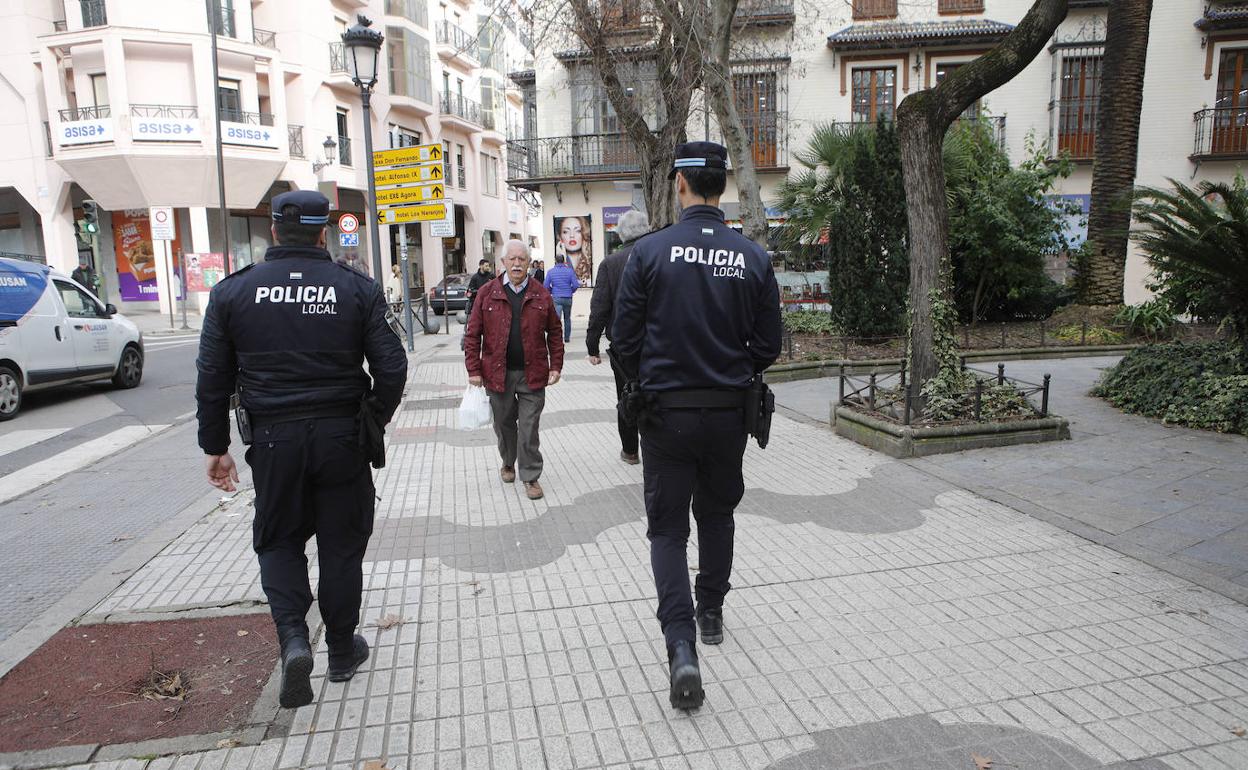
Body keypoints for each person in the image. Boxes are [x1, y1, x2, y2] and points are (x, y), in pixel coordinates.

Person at [195, 190, 408, 710]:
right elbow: (393, 367)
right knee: (341, 543)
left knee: (278, 540)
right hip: (341, 438)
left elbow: (211, 378)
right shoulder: (354, 288)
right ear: (323, 233)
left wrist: (215, 446)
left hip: (272, 441)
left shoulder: (232, 293)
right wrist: (370, 419)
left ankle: (293, 639)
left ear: (273, 230)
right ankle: (339, 650)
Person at [612, 142, 782, 711]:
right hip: (729, 412)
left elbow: (625, 339)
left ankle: (681, 646)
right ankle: (711, 612)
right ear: (723, 185)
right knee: (717, 514)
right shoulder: (751, 257)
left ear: (681, 185)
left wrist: (650, 376)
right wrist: (731, 367)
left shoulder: (650, 252)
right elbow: (769, 345)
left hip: (665, 415)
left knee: (666, 531)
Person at [464, 240, 563, 501]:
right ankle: (508, 461)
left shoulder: (541, 294)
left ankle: (530, 476)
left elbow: (554, 332)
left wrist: (557, 366)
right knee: (504, 424)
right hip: (498, 374)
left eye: (522, 259)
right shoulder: (487, 292)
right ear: (503, 263)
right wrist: (473, 369)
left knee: (529, 427)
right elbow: (473, 334)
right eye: (512, 259)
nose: (517, 264)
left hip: (533, 373)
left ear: (529, 263)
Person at [586, 209, 649, 465]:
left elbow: (599, 307)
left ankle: (631, 451)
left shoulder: (611, 264)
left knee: (626, 394)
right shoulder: (658, 257)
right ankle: (657, 447)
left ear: (621, 235)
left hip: (624, 347)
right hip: (658, 343)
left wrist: (592, 346)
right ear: (645, 230)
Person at [543, 254, 580, 343]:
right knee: (567, 318)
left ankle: (557, 337)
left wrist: (552, 291)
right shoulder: (570, 271)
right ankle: (567, 338)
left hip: (557, 298)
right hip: (568, 297)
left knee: (557, 319)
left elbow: (545, 286)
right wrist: (570, 291)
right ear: (564, 261)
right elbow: (575, 285)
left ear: (555, 260)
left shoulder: (551, 272)